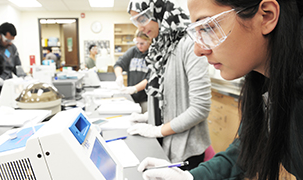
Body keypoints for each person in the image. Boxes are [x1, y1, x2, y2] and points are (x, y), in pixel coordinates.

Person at [136, 0, 303, 179]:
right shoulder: (263, 80)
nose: (198, 50)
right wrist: (192, 177)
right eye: (196, 32)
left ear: (266, 16)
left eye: (207, 27)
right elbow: (247, 148)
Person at [126, 0, 212, 170]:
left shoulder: (190, 44)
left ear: (158, 11)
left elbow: (200, 108)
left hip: (186, 149)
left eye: (142, 19)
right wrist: (148, 116)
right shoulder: (159, 46)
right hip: (162, 142)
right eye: (135, 21)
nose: (140, 27)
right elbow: (165, 96)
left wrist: (158, 130)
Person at [114, 30, 151, 113]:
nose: (139, 46)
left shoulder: (152, 54)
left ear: (149, 41)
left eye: (142, 43)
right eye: (137, 43)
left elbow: (151, 78)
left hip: (146, 98)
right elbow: (119, 64)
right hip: (132, 97)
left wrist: (135, 88)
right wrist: (119, 76)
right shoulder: (133, 51)